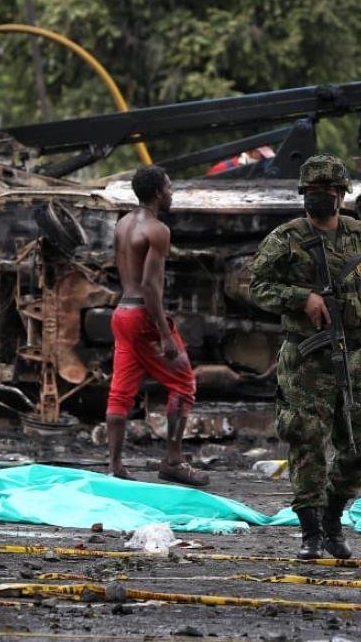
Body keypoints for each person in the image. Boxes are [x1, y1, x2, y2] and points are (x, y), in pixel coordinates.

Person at [250, 154, 361, 559]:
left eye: (327, 192)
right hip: (306, 357)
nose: (319, 198)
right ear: (304, 195)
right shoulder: (286, 238)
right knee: (307, 440)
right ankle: (311, 532)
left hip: (359, 356)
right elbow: (258, 287)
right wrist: (303, 297)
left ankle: (334, 517)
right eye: (312, 192)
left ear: (340, 195)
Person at [104, 165, 208, 487]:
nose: (172, 192)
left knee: (120, 392)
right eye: (169, 186)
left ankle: (115, 465)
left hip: (121, 313)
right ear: (158, 192)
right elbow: (150, 286)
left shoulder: (123, 224)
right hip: (142, 316)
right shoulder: (157, 230)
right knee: (183, 384)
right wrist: (164, 334)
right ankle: (174, 461)